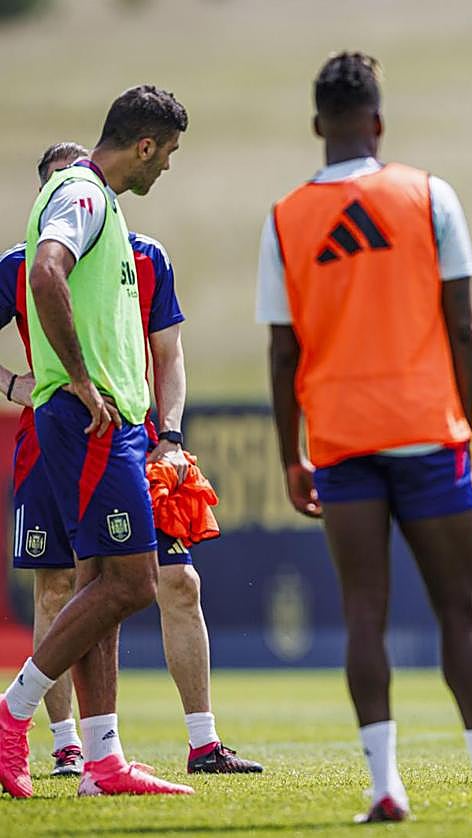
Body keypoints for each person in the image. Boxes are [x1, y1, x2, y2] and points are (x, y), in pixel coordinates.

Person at [258, 51, 472, 823]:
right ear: (378, 122)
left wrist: (290, 454)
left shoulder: (285, 218)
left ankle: (384, 789)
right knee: (459, 613)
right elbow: (462, 324)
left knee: (362, 613)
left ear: (315, 126)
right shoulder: (428, 194)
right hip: (428, 433)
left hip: (338, 439)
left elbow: (281, 350)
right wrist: (459, 421)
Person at [0, 142, 262, 778]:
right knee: (63, 587)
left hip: (130, 438)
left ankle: (194, 743)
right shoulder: (23, 262)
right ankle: (67, 746)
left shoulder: (142, 255)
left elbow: (169, 354)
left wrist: (169, 433)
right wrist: (16, 386)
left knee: (170, 582)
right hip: (58, 436)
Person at [0, 85, 195, 798]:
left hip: (104, 425)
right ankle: (11, 714)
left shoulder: (101, 203)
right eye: (168, 153)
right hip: (91, 424)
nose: (167, 167)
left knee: (97, 586)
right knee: (133, 582)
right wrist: (79, 379)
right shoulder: (82, 192)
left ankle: (104, 760)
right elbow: (45, 269)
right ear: (143, 145)